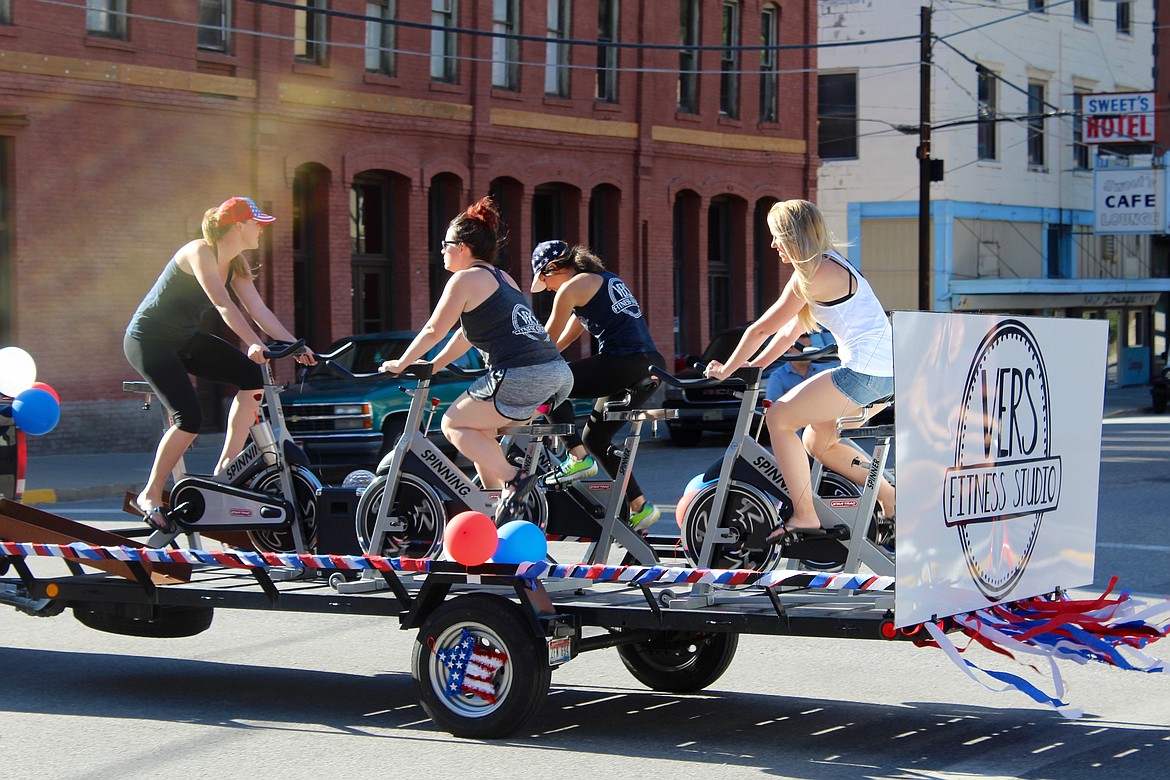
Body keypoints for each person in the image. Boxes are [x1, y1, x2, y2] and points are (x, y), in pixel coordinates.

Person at [704, 199, 894, 544]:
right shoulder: (830, 265)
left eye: (777, 236)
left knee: (779, 419)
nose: (773, 244)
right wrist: (755, 365)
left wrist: (726, 368)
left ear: (793, 236)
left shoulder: (810, 275)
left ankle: (805, 514)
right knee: (817, 441)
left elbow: (759, 329)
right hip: (886, 375)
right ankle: (889, 496)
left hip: (864, 373)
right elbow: (789, 331)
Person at [125, 196, 315, 534]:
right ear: (238, 226)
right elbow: (222, 304)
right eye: (257, 224)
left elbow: (259, 311)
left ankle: (226, 467)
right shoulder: (199, 251)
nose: (261, 230)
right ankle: (151, 493)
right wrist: (253, 342)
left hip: (182, 339)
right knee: (190, 419)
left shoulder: (237, 264)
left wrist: (294, 344)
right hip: (149, 340)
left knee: (252, 376)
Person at [379, 197, 572, 519]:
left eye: (445, 244)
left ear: (463, 247)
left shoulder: (465, 279)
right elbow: (464, 335)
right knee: (479, 434)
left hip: (521, 374)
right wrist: (431, 366)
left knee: (453, 424)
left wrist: (399, 364)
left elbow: (432, 329)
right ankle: (496, 509)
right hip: (556, 374)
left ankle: (515, 480)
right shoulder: (502, 278)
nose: (441, 250)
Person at [531, 240, 666, 532]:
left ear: (553, 269)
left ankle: (576, 458)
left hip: (622, 361)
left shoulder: (570, 288)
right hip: (649, 363)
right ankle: (640, 507)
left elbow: (547, 337)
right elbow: (565, 338)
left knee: (547, 382)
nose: (549, 289)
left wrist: (521, 363)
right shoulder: (602, 280)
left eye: (546, 281)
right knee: (596, 440)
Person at [764, 332, 829, 403]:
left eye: (809, 348)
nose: (807, 352)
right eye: (802, 349)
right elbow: (772, 407)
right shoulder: (778, 377)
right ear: (789, 350)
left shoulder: (822, 371)